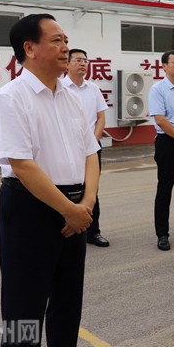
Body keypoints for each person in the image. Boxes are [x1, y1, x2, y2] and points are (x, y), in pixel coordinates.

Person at [0, 14, 108, 347]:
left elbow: (91, 152)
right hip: (30, 208)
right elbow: (22, 165)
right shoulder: (12, 97)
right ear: (30, 48)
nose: (66, 48)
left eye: (66, 40)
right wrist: (69, 210)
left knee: (67, 301)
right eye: (57, 41)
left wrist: (85, 204)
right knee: (23, 311)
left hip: (75, 208)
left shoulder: (71, 96)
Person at [63, 48, 110, 247]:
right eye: (78, 60)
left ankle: (93, 231)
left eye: (85, 60)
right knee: (68, 188)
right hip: (67, 148)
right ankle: (67, 227)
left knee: (92, 189)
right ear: (67, 64)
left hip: (91, 148)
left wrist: (92, 142)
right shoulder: (60, 88)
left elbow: (101, 118)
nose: (83, 63)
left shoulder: (93, 89)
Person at [149, 49, 174, 251]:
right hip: (169, 142)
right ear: (164, 66)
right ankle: (162, 234)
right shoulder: (158, 89)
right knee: (165, 188)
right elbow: (161, 120)